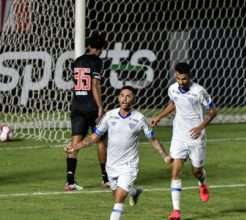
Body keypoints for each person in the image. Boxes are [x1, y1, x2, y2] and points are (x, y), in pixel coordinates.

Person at [65, 86, 172, 220]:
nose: (124, 99)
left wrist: (165, 156)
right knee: (117, 195)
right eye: (122, 95)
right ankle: (134, 191)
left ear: (134, 99)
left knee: (119, 199)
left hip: (129, 165)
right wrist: (75, 147)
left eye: (128, 96)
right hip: (111, 166)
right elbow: (94, 137)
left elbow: (153, 139)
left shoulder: (139, 118)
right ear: (118, 97)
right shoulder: (110, 116)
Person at [151, 62, 218, 220]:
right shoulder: (172, 89)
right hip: (179, 135)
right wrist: (159, 116)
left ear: (190, 77)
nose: (181, 81)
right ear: (175, 76)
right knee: (175, 172)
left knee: (197, 171)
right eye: (179, 78)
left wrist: (201, 126)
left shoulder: (199, 91)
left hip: (196, 137)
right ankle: (176, 211)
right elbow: (173, 103)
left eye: (184, 78)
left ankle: (202, 184)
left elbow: (213, 111)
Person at [64, 32, 109, 191]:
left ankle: (70, 181)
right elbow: (94, 85)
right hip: (91, 107)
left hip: (77, 106)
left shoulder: (76, 61)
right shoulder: (97, 62)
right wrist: (100, 107)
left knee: (75, 143)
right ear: (101, 48)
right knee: (101, 141)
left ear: (89, 46)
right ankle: (106, 179)